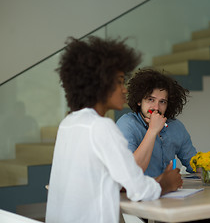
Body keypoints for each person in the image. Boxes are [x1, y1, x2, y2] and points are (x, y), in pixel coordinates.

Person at [45, 37, 182, 223]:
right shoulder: (101, 127)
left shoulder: (69, 123)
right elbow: (139, 190)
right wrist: (166, 183)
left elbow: (100, 179)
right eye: (119, 82)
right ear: (99, 84)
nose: (125, 90)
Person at [116, 69, 210, 223]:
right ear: (139, 101)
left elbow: (194, 163)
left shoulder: (175, 127)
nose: (156, 107)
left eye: (162, 101)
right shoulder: (127, 124)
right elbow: (130, 172)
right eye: (150, 99)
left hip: (169, 199)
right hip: (140, 202)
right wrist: (152, 130)